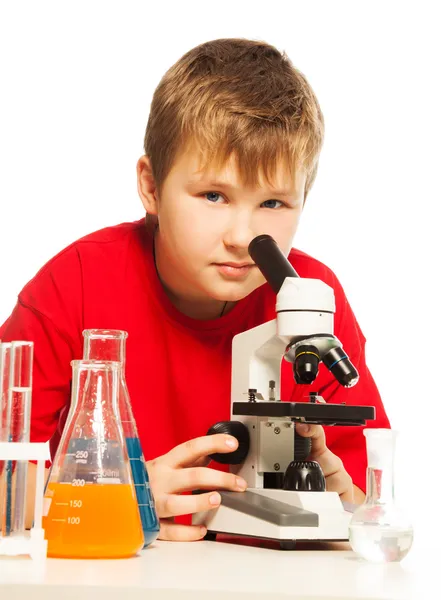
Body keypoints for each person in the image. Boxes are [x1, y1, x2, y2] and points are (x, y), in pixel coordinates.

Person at [0, 38, 390, 542]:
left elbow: (368, 496)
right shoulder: (75, 282)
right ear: (151, 186)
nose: (242, 237)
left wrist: (346, 499)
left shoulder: (310, 295)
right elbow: (5, 476)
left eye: (273, 203)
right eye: (213, 195)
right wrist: (121, 501)